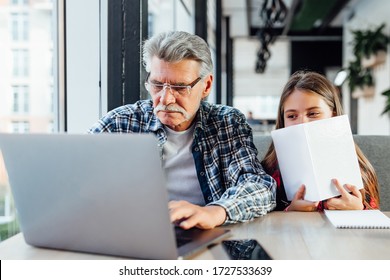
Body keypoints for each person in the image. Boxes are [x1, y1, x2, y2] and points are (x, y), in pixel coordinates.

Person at [89, 31, 276, 229]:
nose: (166, 98)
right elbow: (75, 174)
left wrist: (214, 212)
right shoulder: (120, 123)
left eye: (179, 87)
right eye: (157, 84)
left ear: (206, 86)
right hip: (133, 233)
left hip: (203, 235)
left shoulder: (226, 123)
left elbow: (259, 185)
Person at [262, 70, 379, 211]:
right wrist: (290, 211)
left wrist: (359, 209)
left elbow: (375, 222)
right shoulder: (269, 170)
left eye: (313, 113)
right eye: (292, 116)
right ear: (283, 120)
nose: (302, 122)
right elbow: (263, 221)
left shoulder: (360, 169)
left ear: (333, 115)